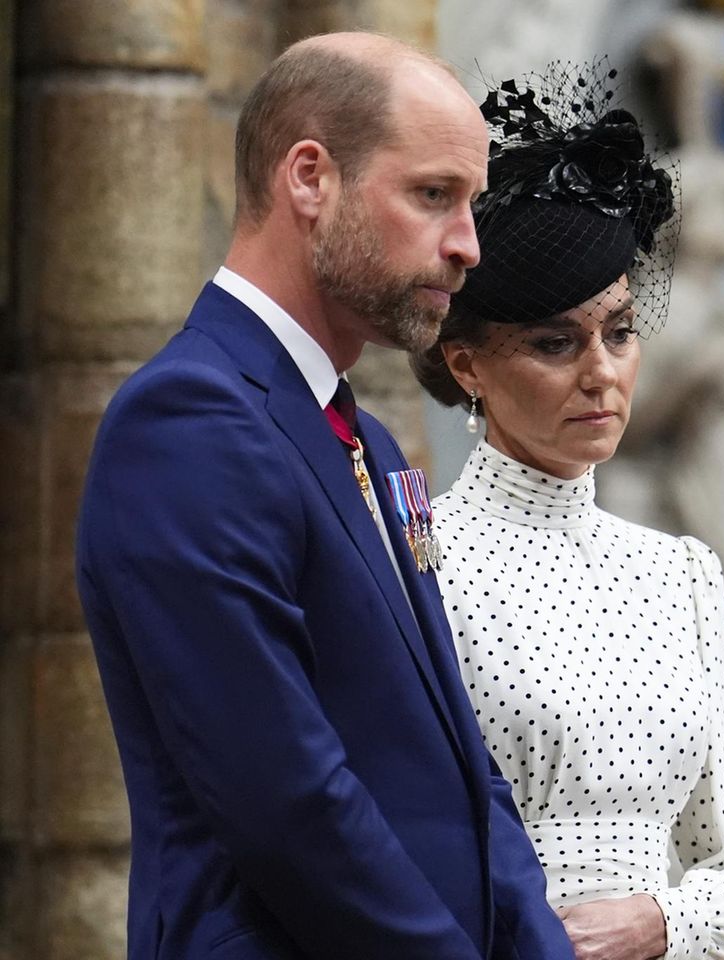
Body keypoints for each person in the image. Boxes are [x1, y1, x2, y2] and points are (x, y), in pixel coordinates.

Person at [75, 33, 576, 960]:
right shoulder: (188, 421)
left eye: (471, 204)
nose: (468, 246)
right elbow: (286, 799)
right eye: (434, 195)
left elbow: (466, 764)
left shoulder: (366, 439)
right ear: (310, 178)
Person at [411, 60, 724, 960]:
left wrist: (660, 922)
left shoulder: (680, 574)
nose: (601, 372)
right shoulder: (419, 558)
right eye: (555, 343)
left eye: (619, 332)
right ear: (468, 365)